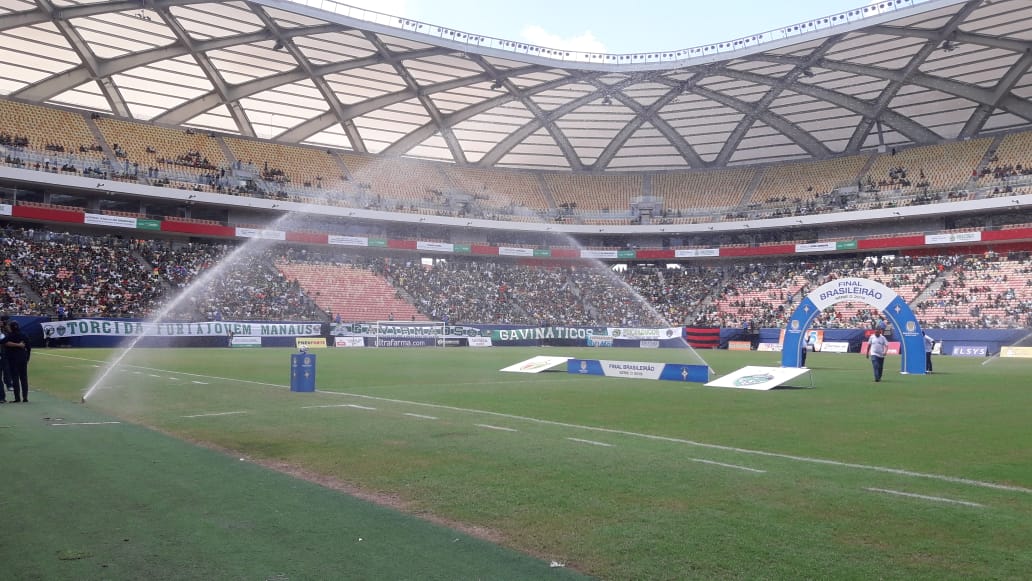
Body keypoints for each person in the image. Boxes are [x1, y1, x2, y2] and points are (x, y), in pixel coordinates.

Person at [2, 320, 30, 402]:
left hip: (13, 359)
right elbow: (28, 347)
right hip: (23, 358)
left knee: (15, 378)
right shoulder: (24, 334)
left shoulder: (10, 335)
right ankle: (25, 398)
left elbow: (2, 341)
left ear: (11, 327)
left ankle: (17, 398)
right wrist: (27, 358)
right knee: (24, 378)